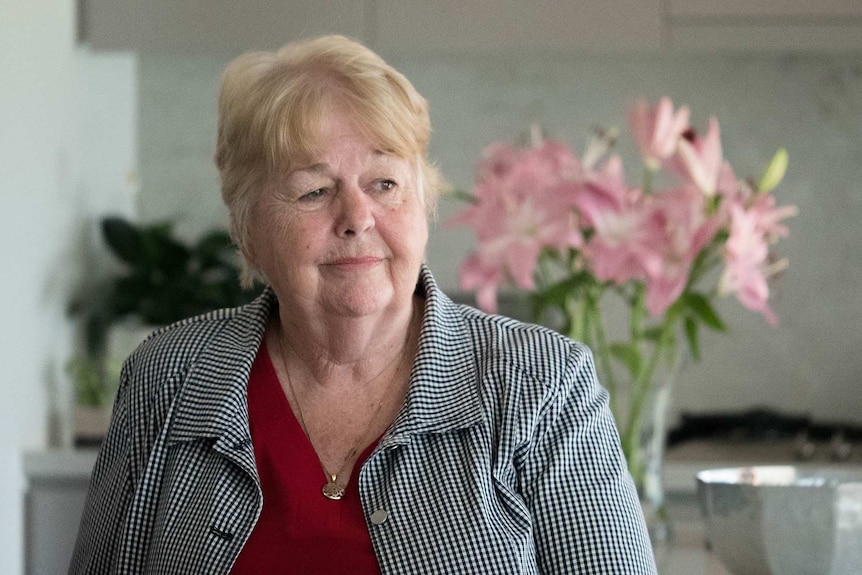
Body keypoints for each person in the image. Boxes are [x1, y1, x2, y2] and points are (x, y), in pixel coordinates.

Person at [69, 35, 656, 574]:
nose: (356, 218)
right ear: (249, 230)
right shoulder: (168, 379)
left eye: (384, 184)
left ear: (422, 203)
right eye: (314, 190)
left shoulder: (541, 386)